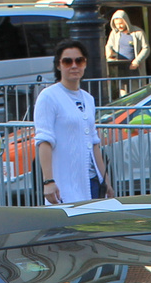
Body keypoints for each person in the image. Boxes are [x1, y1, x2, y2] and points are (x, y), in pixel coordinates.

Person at [35, 40, 113, 204]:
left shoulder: (88, 99)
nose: (74, 65)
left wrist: (106, 180)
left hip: (92, 182)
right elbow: (44, 141)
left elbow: (94, 142)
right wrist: (48, 181)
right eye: (67, 61)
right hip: (64, 183)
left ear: (85, 64)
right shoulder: (48, 97)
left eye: (79, 60)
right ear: (58, 65)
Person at [106, 11, 147, 80]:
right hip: (120, 69)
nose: (119, 26)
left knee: (137, 89)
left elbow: (146, 48)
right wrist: (109, 52)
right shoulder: (114, 33)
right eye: (116, 24)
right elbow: (108, 46)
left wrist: (137, 61)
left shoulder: (138, 32)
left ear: (126, 21)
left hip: (135, 68)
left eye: (121, 23)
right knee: (122, 89)